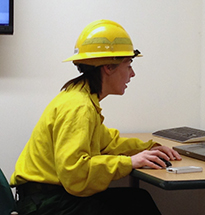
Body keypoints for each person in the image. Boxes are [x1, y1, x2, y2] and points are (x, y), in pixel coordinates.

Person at [10, 19, 182, 215]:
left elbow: (108, 143)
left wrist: (150, 148)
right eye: (128, 64)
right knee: (137, 206)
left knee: (138, 200)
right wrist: (130, 162)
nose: (132, 74)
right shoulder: (79, 107)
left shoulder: (82, 96)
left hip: (47, 197)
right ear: (108, 67)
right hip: (46, 204)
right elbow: (75, 173)